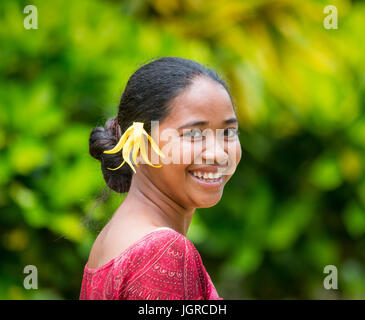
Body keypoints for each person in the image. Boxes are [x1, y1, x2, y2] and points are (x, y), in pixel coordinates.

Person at [79, 57, 242, 300]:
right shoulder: (161, 251)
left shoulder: (114, 237)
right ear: (140, 143)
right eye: (194, 134)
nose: (218, 154)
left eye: (228, 132)